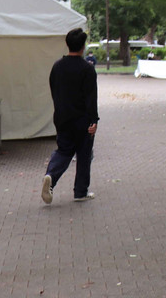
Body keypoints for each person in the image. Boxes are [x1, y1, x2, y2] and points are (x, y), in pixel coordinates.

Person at [41, 28, 99, 205]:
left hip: (62, 117)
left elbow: (54, 90)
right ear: (83, 46)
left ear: (67, 44)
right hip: (82, 120)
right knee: (84, 155)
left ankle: (51, 175)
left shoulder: (57, 67)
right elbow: (91, 97)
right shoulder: (87, 69)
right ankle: (80, 191)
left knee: (64, 150)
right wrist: (93, 120)